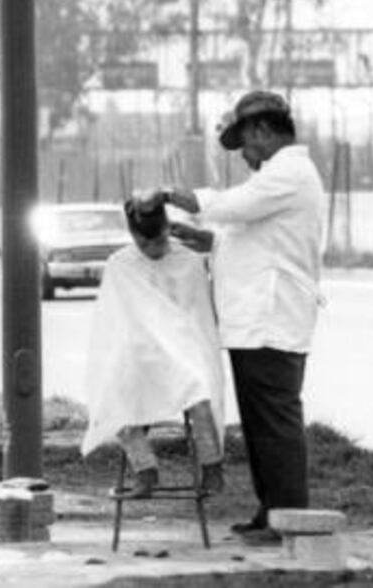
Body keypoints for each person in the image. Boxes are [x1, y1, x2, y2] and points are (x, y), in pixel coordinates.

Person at [135, 90, 326, 543]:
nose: (244, 155)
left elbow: (231, 206)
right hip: (255, 322)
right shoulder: (279, 178)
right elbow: (251, 238)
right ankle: (271, 511)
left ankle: (287, 518)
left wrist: (168, 194)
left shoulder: (289, 172)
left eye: (245, 143)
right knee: (260, 426)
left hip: (271, 320)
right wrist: (206, 240)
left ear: (263, 130)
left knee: (274, 425)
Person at [80, 199, 225, 498]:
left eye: (158, 241)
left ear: (167, 229)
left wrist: (176, 344)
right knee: (110, 394)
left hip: (185, 352)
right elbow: (113, 323)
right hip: (140, 352)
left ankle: (212, 469)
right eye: (144, 243)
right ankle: (145, 470)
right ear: (133, 236)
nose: (153, 249)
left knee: (198, 393)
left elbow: (200, 318)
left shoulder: (189, 261)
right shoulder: (120, 264)